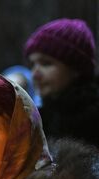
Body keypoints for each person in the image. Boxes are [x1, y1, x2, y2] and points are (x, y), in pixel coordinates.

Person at [24, 18, 99, 147]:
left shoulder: (93, 122)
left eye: (46, 63)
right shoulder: (40, 120)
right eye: (33, 64)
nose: (35, 74)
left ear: (76, 69)